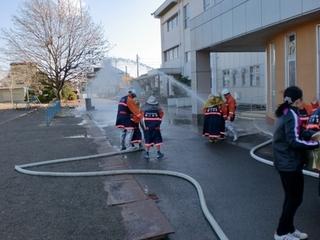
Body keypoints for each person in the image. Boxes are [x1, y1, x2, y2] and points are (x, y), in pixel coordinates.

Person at [272, 86, 320, 240]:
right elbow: (294, 141)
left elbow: (297, 132)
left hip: (285, 162)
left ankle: (289, 228)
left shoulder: (285, 112)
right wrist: (316, 144)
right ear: (298, 99)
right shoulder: (292, 114)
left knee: (291, 198)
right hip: (289, 164)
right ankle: (280, 232)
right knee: (294, 199)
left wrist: (313, 134)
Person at [140, 95, 164, 159]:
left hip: (148, 128)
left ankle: (147, 153)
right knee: (157, 140)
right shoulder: (158, 110)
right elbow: (161, 116)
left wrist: (144, 126)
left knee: (148, 140)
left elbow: (142, 118)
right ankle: (158, 153)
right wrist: (157, 124)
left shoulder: (144, 110)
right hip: (156, 128)